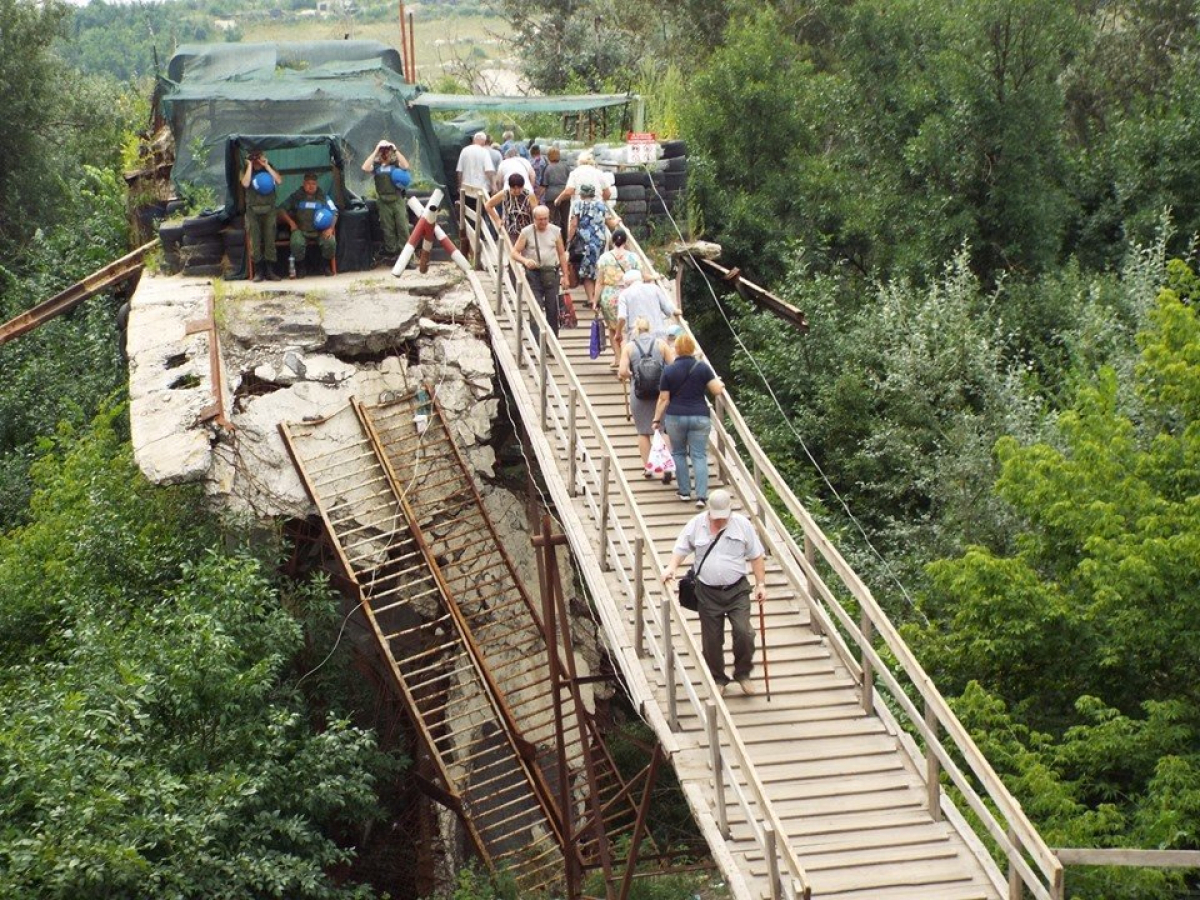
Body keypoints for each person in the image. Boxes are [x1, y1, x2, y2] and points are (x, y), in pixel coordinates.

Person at [662, 489, 768, 695]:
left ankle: (743, 673)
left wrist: (761, 584)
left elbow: (756, 556)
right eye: (716, 517)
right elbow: (681, 548)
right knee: (711, 639)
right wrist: (671, 567)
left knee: (745, 632)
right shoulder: (696, 525)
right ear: (709, 512)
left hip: (737, 590)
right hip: (707, 591)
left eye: (724, 517)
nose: (720, 521)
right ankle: (718, 678)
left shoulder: (742, 525)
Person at [653, 333, 724, 506]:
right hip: (699, 416)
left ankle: (684, 492)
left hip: (676, 417)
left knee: (678, 453)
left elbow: (664, 399)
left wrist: (656, 419)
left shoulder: (669, 370)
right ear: (692, 349)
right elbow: (716, 390)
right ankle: (701, 496)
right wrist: (721, 384)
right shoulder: (702, 368)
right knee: (699, 455)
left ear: (676, 349)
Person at [618, 316, 676, 479]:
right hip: (660, 391)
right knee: (663, 428)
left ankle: (648, 468)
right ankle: (666, 467)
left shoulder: (629, 347)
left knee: (643, 432)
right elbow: (672, 367)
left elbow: (623, 371)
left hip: (639, 393)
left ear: (635, 329)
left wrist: (634, 375)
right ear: (649, 328)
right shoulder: (661, 344)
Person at [511, 204, 570, 337]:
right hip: (534, 274)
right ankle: (537, 341)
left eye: (545, 219)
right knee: (536, 307)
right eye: (540, 219)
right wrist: (525, 261)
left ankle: (553, 341)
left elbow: (561, 254)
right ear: (534, 219)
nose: (543, 222)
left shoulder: (555, 231)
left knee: (552, 308)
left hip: (551, 273)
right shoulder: (526, 232)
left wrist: (565, 276)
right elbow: (514, 252)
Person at [595, 229, 641, 367]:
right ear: (626, 242)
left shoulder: (604, 258)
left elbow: (599, 282)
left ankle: (618, 358)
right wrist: (654, 277)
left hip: (609, 296)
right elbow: (641, 275)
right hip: (629, 293)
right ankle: (628, 360)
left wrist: (595, 301)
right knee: (627, 328)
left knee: (613, 329)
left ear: (612, 241)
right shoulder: (633, 258)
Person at [361, 139, 411, 262]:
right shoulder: (376, 166)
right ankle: (392, 254)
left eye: (387, 150)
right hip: (383, 201)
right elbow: (365, 167)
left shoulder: (395, 164)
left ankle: (406, 257)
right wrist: (376, 150)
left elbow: (406, 166)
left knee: (403, 227)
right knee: (387, 228)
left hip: (397, 199)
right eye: (382, 150)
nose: (385, 153)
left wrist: (395, 149)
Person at [280, 171, 338, 277]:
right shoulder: (296, 197)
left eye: (313, 184)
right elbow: (281, 209)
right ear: (303, 184)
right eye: (308, 183)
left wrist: (330, 228)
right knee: (296, 243)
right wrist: (291, 223)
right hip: (302, 230)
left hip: (320, 231)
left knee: (330, 242)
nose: (311, 186)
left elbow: (334, 212)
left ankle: (325, 266)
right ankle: (301, 268)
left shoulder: (323, 197)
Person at [567, 182, 612, 312]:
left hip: (585, 242)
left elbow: (574, 224)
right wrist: (618, 222)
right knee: (599, 267)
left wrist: (569, 240)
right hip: (600, 241)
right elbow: (610, 222)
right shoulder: (602, 205)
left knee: (587, 271)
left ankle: (591, 300)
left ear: (581, 194)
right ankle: (598, 298)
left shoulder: (578, 205)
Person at [240, 149, 283, 281]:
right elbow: (245, 183)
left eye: (258, 156)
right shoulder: (246, 169)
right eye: (253, 156)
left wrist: (266, 166)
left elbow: (279, 181)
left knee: (270, 238)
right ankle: (259, 271)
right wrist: (250, 166)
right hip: (253, 210)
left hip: (269, 209)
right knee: (255, 240)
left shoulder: (269, 168)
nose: (256, 158)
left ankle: (270, 271)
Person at [617, 269, 680, 341]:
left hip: (636, 337)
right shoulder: (654, 288)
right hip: (658, 335)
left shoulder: (624, 294)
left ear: (626, 284)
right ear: (641, 279)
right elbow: (668, 310)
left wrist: (618, 333)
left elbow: (622, 317)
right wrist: (675, 311)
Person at [485, 172, 536, 244]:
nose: (517, 191)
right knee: (512, 251)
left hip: (526, 229)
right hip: (510, 229)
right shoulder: (504, 193)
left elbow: (535, 212)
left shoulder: (529, 195)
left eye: (519, 188)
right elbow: (488, 205)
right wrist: (497, 220)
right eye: (514, 188)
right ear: (510, 186)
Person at [541, 146, 572, 232]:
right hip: (565, 195)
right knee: (565, 219)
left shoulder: (547, 168)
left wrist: (537, 197)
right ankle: (566, 240)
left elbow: (544, 185)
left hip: (551, 197)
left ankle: (553, 238)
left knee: (551, 219)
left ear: (549, 156)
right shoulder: (566, 167)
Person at [456, 131, 496, 197]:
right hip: (481, 189)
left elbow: (459, 171)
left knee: (466, 207)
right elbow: (488, 171)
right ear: (484, 141)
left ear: (474, 140)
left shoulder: (464, 151)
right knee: (481, 207)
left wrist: (459, 186)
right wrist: (493, 185)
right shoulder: (484, 152)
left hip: (466, 189)